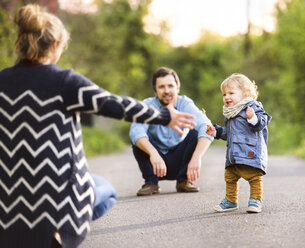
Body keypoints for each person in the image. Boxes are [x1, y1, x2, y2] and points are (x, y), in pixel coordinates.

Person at [0, 4, 195, 248]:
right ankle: (61, 229)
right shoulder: (64, 82)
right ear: (54, 46)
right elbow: (115, 104)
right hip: (56, 203)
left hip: (8, 211)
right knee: (105, 189)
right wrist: (164, 115)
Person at [129, 67, 214, 196]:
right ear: (155, 91)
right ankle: (151, 182)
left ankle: (183, 181)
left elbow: (207, 127)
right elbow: (135, 131)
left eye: (170, 86)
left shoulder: (185, 104)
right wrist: (153, 153)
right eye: (162, 87)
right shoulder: (147, 105)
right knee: (139, 140)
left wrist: (197, 157)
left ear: (177, 89)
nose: (167, 91)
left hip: (180, 161)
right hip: (155, 163)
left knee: (195, 134)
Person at [206, 73, 271, 213]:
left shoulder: (252, 107)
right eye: (224, 94)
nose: (226, 97)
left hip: (250, 152)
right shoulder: (230, 113)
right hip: (233, 155)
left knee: (254, 177)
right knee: (229, 177)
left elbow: (261, 124)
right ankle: (230, 201)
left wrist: (253, 118)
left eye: (231, 93)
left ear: (245, 94)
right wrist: (216, 132)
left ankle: (255, 200)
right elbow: (230, 134)